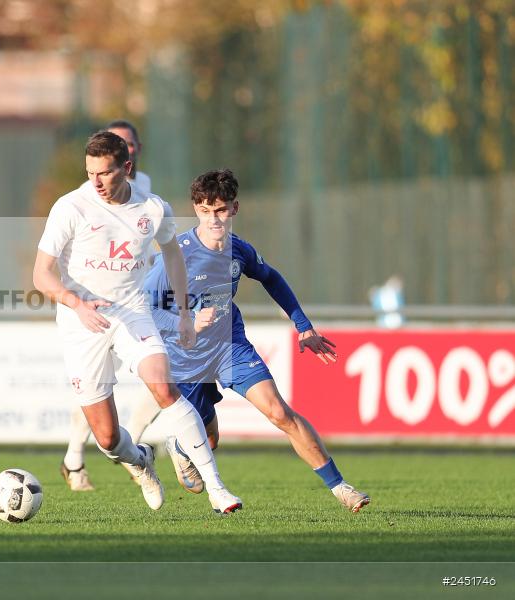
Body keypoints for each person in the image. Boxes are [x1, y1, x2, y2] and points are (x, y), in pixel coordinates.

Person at [34, 131, 242, 514]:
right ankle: (140, 460)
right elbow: (41, 274)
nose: (96, 182)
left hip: (132, 311)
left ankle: (217, 489)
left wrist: (184, 313)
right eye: (90, 173)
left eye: (104, 173)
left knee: (165, 387)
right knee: (108, 438)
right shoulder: (70, 207)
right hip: (82, 323)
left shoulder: (153, 209)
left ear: (126, 167)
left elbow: (173, 255)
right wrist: (77, 304)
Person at [145, 168, 370, 512]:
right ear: (196, 210)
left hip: (229, 345)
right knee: (209, 440)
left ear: (234, 208)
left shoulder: (239, 250)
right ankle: (179, 445)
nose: (213, 219)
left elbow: (271, 277)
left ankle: (341, 488)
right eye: (205, 211)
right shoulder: (177, 255)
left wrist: (303, 325)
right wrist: (184, 322)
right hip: (185, 356)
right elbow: (145, 308)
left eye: (221, 210)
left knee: (278, 411)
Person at [60, 119, 162, 492]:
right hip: (93, 308)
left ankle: (134, 447)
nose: (124, 147)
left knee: (164, 375)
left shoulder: (145, 189)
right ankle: (75, 458)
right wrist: (75, 300)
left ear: (133, 154)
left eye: (129, 143)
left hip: (137, 300)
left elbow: (152, 239)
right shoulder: (82, 198)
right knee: (95, 391)